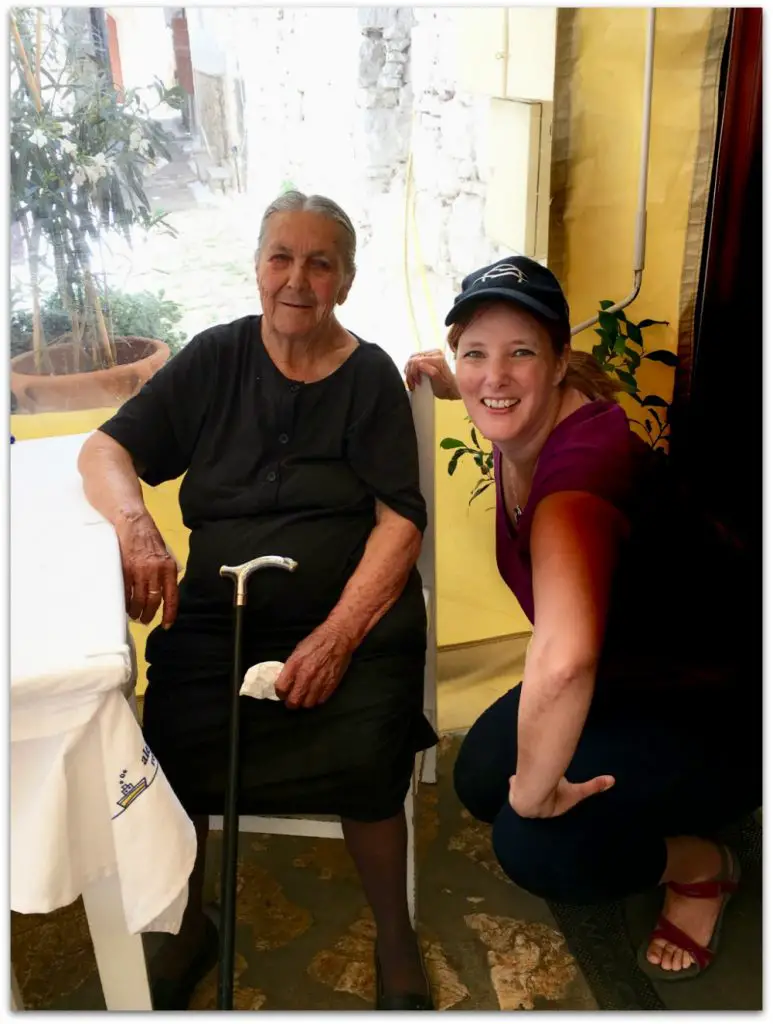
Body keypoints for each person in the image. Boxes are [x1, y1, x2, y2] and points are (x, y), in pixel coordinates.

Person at [79, 191, 436, 1011]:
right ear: (256, 267)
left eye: (320, 262)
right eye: (282, 256)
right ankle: (190, 922)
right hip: (218, 611)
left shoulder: (369, 375)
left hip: (347, 611)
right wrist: (137, 528)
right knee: (172, 744)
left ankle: (393, 931)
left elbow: (399, 521)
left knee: (365, 748)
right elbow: (106, 448)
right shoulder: (214, 359)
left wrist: (339, 635)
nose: (297, 279)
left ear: (344, 281)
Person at [405, 256, 760, 982]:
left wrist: (538, 791)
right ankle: (632, 796)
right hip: (632, 674)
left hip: (718, 710)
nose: (493, 378)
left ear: (561, 360)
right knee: (479, 777)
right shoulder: (525, 426)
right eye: (475, 353)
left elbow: (564, 658)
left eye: (521, 353)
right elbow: (489, 385)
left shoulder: (579, 481)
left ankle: (704, 866)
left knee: (531, 838)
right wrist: (452, 381)